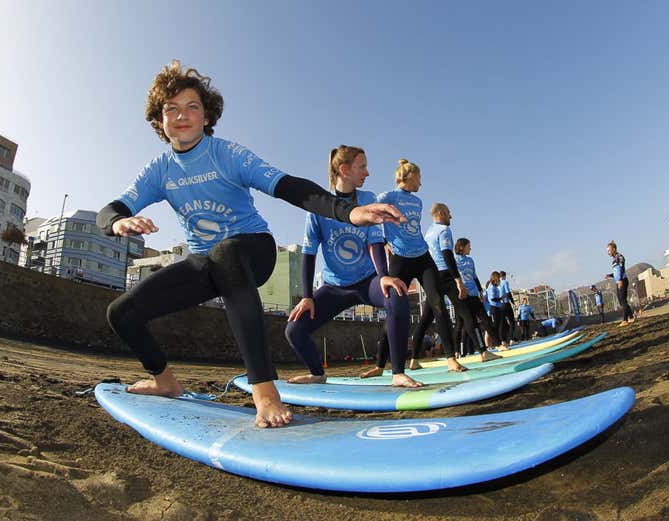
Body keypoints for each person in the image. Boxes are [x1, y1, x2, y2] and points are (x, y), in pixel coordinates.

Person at [96, 61, 404, 428]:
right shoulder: (159, 170)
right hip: (205, 263)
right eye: (171, 109)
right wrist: (118, 221)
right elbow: (110, 209)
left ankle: (265, 388)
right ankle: (164, 380)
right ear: (159, 120)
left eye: (192, 106)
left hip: (253, 250)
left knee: (226, 253)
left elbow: (289, 186)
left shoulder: (226, 154)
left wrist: (348, 213)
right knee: (122, 312)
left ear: (206, 115)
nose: (182, 116)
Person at [285, 146, 421, 388]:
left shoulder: (368, 200)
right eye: (362, 167)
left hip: (367, 282)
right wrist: (307, 297)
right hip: (334, 287)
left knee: (397, 294)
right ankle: (317, 373)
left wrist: (383, 277)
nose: (367, 172)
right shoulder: (318, 207)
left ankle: (398, 373)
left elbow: (375, 241)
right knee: (294, 330)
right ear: (344, 170)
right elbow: (308, 252)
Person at [361, 160, 468, 376]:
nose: (421, 182)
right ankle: (380, 365)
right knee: (393, 310)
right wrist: (383, 240)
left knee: (438, 304)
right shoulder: (388, 196)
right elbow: (370, 212)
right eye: (419, 177)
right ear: (409, 177)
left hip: (422, 257)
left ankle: (451, 359)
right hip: (400, 260)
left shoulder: (418, 202)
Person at [410, 207, 498, 364]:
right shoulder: (444, 229)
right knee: (466, 314)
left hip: (432, 276)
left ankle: (414, 359)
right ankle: (483, 352)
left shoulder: (429, 231)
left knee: (425, 319)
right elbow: (447, 255)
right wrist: (458, 281)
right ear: (442, 214)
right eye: (449, 213)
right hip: (446, 275)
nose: (451, 216)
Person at [453, 238, 496, 355]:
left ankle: (499, 343)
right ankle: (457, 351)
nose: (470, 248)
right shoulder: (453, 261)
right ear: (462, 247)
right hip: (462, 297)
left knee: (486, 320)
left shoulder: (470, 260)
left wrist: (481, 292)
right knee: (461, 324)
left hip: (474, 296)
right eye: (469, 246)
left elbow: (475, 277)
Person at [605, 240, 634, 327]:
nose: (608, 253)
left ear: (614, 249)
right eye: (607, 251)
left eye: (609, 250)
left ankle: (625, 320)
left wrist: (620, 280)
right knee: (621, 301)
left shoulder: (619, 257)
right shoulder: (614, 260)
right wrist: (610, 275)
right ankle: (631, 317)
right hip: (618, 281)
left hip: (623, 280)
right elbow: (616, 273)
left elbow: (621, 269)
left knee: (623, 300)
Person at [486, 271, 510, 349]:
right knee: (496, 326)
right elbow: (493, 298)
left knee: (501, 325)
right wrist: (501, 298)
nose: (499, 280)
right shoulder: (491, 287)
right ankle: (497, 343)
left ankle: (501, 341)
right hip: (494, 307)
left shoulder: (495, 286)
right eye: (498, 278)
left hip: (498, 307)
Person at [499, 271, 517, 341]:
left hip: (499, 305)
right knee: (512, 321)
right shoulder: (505, 282)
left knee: (503, 323)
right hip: (506, 304)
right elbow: (508, 293)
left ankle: (503, 340)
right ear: (504, 276)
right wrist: (513, 302)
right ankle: (511, 339)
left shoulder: (496, 284)